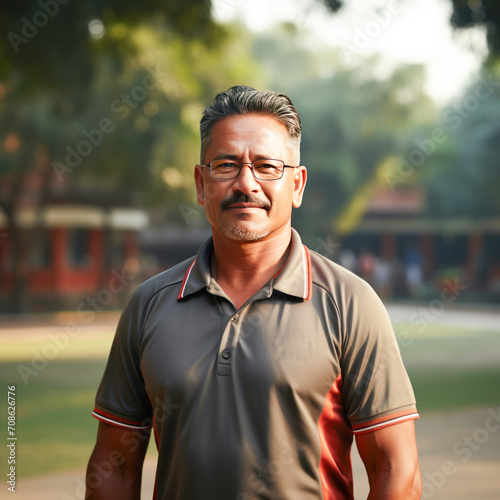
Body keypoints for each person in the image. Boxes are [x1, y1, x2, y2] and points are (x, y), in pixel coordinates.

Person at [86, 86, 421, 500]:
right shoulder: (149, 305)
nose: (246, 183)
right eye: (226, 165)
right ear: (200, 182)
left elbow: (397, 471)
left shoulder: (351, 303)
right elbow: (114, 465)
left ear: (297, 185)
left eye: (266, 166)